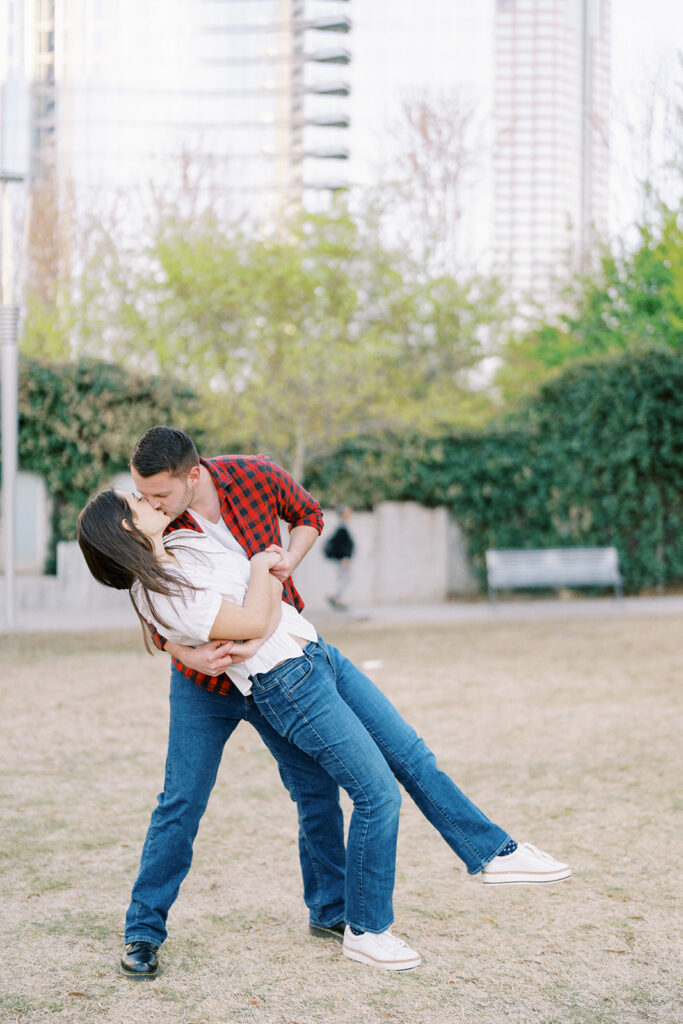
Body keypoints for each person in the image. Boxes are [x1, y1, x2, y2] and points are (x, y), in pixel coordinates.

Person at [77, 427, 571, 977]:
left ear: (192, 476)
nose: (150, 501)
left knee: (323, 790)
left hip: (295, 656)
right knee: (181, 804)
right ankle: (143, 930)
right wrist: (182, 648)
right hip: (217, 683)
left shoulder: (234, 489)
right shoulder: (167, 541)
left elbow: (306, 518)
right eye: (141, 499)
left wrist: (279, 560)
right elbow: (159, 597)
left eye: (155, 495)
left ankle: (341, 909)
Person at [324, 504, 355, 611]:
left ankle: (336, 599)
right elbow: (342, 544)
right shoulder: (342, 527)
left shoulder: (343, 526)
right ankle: (334, 597)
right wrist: (345, 556)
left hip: (341, 558)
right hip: (341, 559)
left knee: (343, 578)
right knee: (345, 578)